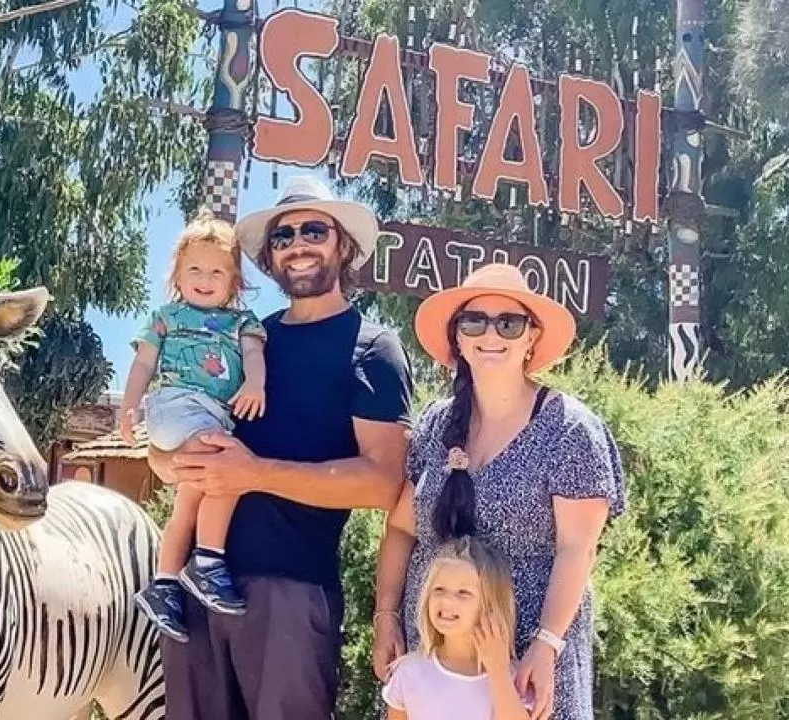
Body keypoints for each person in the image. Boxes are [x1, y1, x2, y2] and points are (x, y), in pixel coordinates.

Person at [150, 175, 413, 720]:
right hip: (195, 589)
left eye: (314, 230)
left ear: (344, 246)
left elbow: (384, 483)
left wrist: (253, 473)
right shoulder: (245, 337)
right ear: (268, 258)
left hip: (292, 592)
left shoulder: (373, 347)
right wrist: (170, 460)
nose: (297, 244)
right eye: (282, 235)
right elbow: (173, 440)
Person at [373, 264, 625, 720]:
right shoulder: (435, 423)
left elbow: (577, 549)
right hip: (436, 650)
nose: (491, 334)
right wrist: (386, 616)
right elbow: (401, 528)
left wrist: (546, 646)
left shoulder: (569, 429)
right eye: (474, 321)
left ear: (531, 337)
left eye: (509, 322)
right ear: (458, 337)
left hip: (531, 653)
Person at [121, 208, 267, 642]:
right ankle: (207, 561)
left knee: (190, 498)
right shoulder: (167, 316)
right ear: (178, 276)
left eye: (217, 271)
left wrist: (255, 383)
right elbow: (143, 362)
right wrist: (130, 407)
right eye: (195, 269)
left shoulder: (243, 322)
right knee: (230, 473)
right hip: (176, 408)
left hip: (210, 415)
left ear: (234, 282)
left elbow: (255, 356)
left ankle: (164, 585)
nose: (205, 278)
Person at [382, 536, 531, 720]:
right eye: (439, 590)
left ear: (491, 606)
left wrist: (498, 671)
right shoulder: (409, 672)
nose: (446, 600)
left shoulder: (515, 677)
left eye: (463, 593)